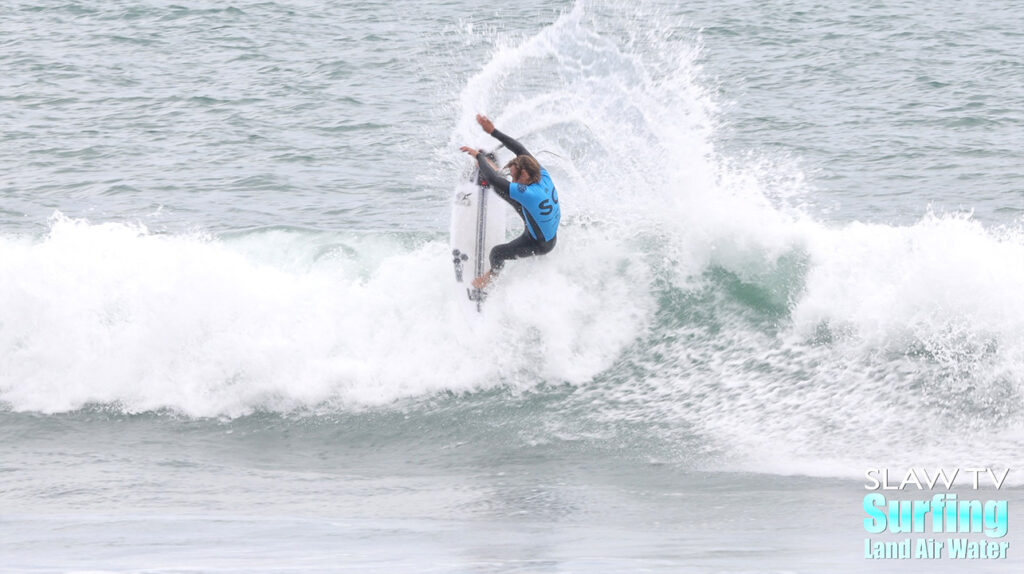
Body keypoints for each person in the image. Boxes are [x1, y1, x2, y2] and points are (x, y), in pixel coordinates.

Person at [459, 114, 560, 290]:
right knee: (505, 190)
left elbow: (492, 179)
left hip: (539, 243)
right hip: (538, 221)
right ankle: (493, 169)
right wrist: (493, 131)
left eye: (514, 177)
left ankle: (491, 278)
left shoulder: (529, 194)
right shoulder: (541, 173)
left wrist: (479, 157)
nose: (513, 180)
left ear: (525, 174)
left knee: (497, 253)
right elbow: (519, 148)